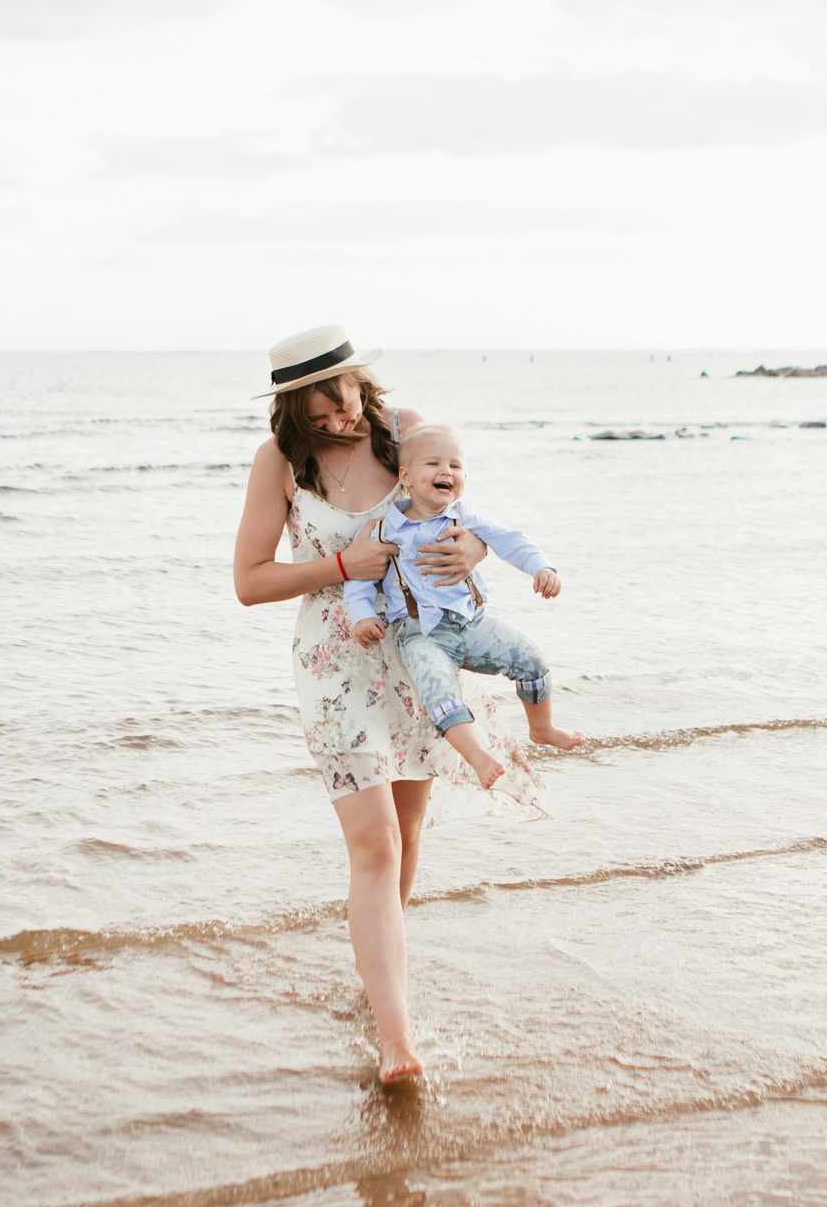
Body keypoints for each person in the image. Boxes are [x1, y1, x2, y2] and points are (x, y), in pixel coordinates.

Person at [232, 325, 490, 1086]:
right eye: (315, 415)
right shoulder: (281, 461)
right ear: (291, 410)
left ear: (359, 383)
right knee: (374, 841)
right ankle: (397, 1041)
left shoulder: (407, 435)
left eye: (339, 405)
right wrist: (340, 564)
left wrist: (472, 549)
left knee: (408, 834)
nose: (334, 422)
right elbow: (249, 580)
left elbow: (459, 520)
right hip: (335, 664)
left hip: (418, 656)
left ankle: (376, 985)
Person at [347, 426, 581, 790]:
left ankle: (542, 728)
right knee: (438, 690)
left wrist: (541, 567)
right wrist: (361, 617)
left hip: (473, 622)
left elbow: (508, 539)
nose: (447, 471)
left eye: (456, 466)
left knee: (530, 656)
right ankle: (477, 756)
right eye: (434, 463)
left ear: (465, 478)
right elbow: (359, 583)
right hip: (422, 635)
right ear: (405, 477)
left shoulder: (463, 517)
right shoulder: (384, 530)